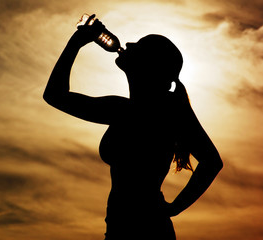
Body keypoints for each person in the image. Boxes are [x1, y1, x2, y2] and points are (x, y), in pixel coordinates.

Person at [43, 16, 223, 240]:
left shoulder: (162, 109)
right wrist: (77, 41)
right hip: (121, 228)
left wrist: (174, 208)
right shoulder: (125, 108)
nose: (128, 45)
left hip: (146, 229)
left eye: (139, 45)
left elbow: (212, 162)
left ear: (150, 65)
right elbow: (54, 96)